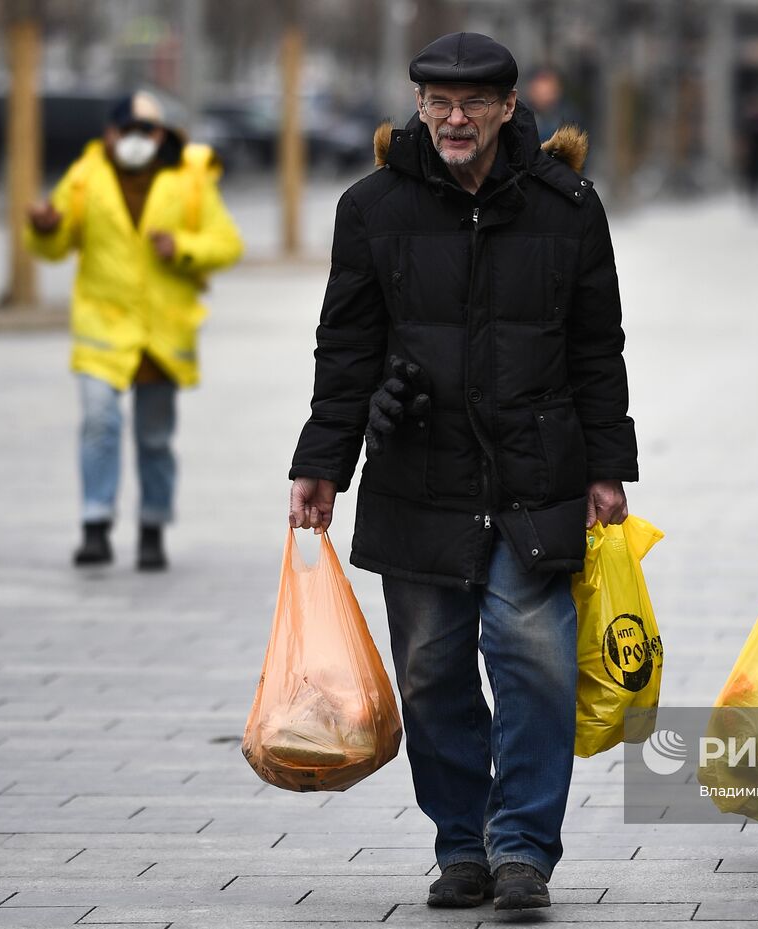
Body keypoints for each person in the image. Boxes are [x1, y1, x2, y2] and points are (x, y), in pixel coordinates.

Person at [287, 32, 637, 912]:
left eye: (473, 102)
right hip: (418, 469)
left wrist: (608, 463)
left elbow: (598, 346)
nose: (453, 117)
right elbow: (348, 344)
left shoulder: (569, 206)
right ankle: (461, 843)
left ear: (509, 108)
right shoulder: (371, 208)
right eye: (436, 101)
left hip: (536, 471)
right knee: (432, 671)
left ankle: (520, 846)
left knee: (535, 662)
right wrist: (323, 459)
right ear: (418, 106)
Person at [25, 89, 243, 570]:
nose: (136, 140)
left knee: (154, 437)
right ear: (109, 133)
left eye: (146, 131)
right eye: (127, 131)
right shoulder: (86, 177)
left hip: (161, 333)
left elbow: (226, 243)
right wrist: (43, 227)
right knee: (99, 423)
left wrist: (182, 246)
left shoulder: (189, 177)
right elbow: (57, 244)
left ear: (160, 134)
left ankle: (152, 526)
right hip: (101, 326)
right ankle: (95, 524)